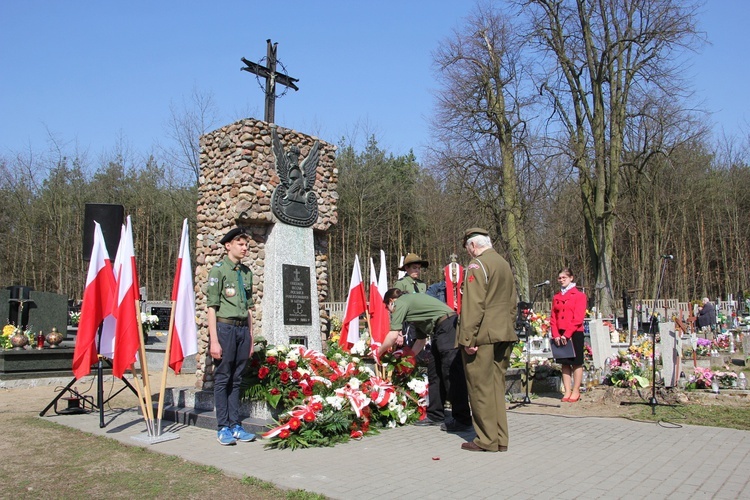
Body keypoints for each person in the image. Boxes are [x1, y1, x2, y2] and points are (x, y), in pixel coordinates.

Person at [457, 228, 518, 452]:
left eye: (468, 249)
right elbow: (512, 302)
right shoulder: (503, 264)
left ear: (473, 246)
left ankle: (486, 439)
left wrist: (467, 338)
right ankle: (501, 438)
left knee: (480, 387)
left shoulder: (477, 265)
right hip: (504, 332)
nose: (468, 254)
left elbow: (474, 305)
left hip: (483, 335)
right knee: (495, 387)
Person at [378, 288, 472, 430]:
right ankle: (436, 414)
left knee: (451, 373)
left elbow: (393, 335)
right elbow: (420, 342)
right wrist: (404, 359)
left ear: (391, 301)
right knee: (435, 372)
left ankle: (463, 419)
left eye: (387, 307)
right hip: (439, 331)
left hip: (448, 327)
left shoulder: (401, 302)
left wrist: (378, 352)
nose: (389, 311)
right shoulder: (415, 312)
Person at [207, 227, 257, 445]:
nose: (245, 248)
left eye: (246, 245)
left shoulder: (247, 273)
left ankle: (236, 425)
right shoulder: (218, 271)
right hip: (224, 329)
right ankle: (223, 427)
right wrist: (214, 341)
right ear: (228, 246)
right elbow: (211, 307)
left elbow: (248, 308)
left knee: (237, 379)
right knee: (223, 377)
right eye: (241, 244)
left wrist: (251, 337)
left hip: (242, 330)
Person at [549, 268, 587, 403]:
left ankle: (576, 390)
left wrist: (567, 334)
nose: (561, 280)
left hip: (574, 333)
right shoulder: (556, 297)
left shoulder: (579, 296)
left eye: (564, 277)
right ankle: (567, 390)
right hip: (559, 333)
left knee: (576, 363)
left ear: (571, 278)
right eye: (559, 278)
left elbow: (578, 318)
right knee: (564, 363)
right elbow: (553, 317)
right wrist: (556, 334)